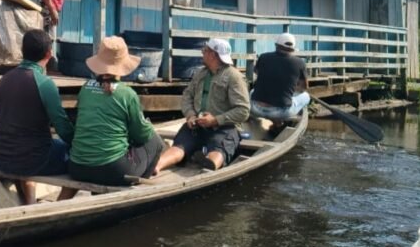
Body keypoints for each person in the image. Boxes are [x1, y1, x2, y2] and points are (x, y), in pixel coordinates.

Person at [0, 29, 76, 204]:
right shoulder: (45, 84)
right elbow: (63, 128)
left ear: (23, 51)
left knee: (35, 143)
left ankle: (30, 202)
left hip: (1, 158)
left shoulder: (4, 80)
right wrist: (80, 145)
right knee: (78, 157)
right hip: (34, 160)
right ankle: (58, 208)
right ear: (49, 53)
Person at [68, 36, 166, 186]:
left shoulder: (85, 88)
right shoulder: (127, 94)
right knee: (156, 142)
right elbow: (142, 134)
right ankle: (139, 188)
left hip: (77, 167)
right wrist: (147, 126)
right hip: (112, 170)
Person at [153, 37, 250, 174]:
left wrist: (215, 120)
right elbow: (187, 96)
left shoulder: (233, 77)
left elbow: (243, 111)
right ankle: (157, 166)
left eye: (205, 50)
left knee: (218, 149)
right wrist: (190, 115)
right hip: (197, 126)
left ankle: (209, 165)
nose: (202, 53)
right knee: (180, 146)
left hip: (224, 128)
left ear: (213, 55)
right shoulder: (201, 73)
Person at [250, 32, 310, 128]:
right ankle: (278, 120)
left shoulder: (263, 57)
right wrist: (290, 87)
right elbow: (303, 88)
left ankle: (273, 121)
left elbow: (257, 72)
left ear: (276, 45)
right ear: (293, 48)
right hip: (281, 112)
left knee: (252, 91)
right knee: (306, 96)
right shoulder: (300, 62)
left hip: (256, 108)